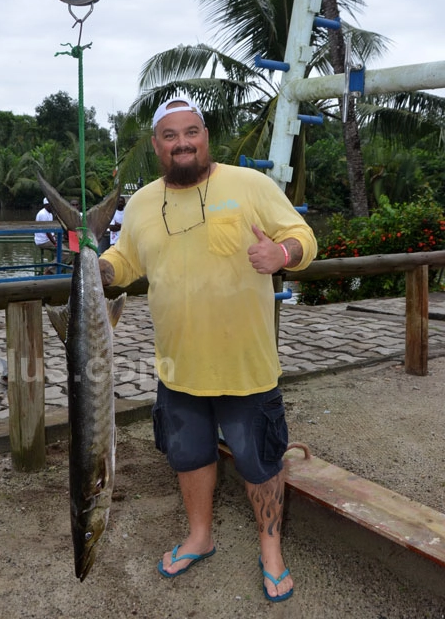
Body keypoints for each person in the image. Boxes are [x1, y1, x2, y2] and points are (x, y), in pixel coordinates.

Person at [98, 96, 316, 603]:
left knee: (260, 462)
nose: (182, 143)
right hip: (177, 368)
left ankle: (271, 551)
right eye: (170, 136)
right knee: (189, 456)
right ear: (156, 145)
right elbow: (126, 258)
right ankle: (200, 536)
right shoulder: (144, 202)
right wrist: (102, 270)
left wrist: (281, 253)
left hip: (246, 365)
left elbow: (303, 237)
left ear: (206, 136)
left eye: (190, 132)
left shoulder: (250, 185)